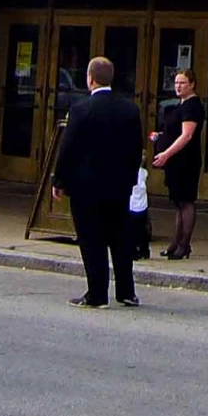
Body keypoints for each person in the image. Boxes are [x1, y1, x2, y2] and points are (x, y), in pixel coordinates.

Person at [51, 56, 142, 308]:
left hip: (86, 186)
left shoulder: (81, 109)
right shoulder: (130, 109)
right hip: (119, 185)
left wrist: (59, 179)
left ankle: (97, 294)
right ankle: (126, 291)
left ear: (90, 79)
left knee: (92, 240)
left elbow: (68, 148)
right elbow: (136, 149)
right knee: (120, 238)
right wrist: (131, 178)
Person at [151, 67, 205, 259]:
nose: (178, 86)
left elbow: (187, 135)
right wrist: (161, 136)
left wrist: (165, 153)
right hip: (175, 162)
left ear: (192, 84)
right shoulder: (180, 105)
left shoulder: (193, 106)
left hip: (185, 161)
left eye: (183, 83)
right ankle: (175, 242)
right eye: (176, 83)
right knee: (177, 202)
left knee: (186, 201)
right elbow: (174, 131)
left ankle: (184, 244)